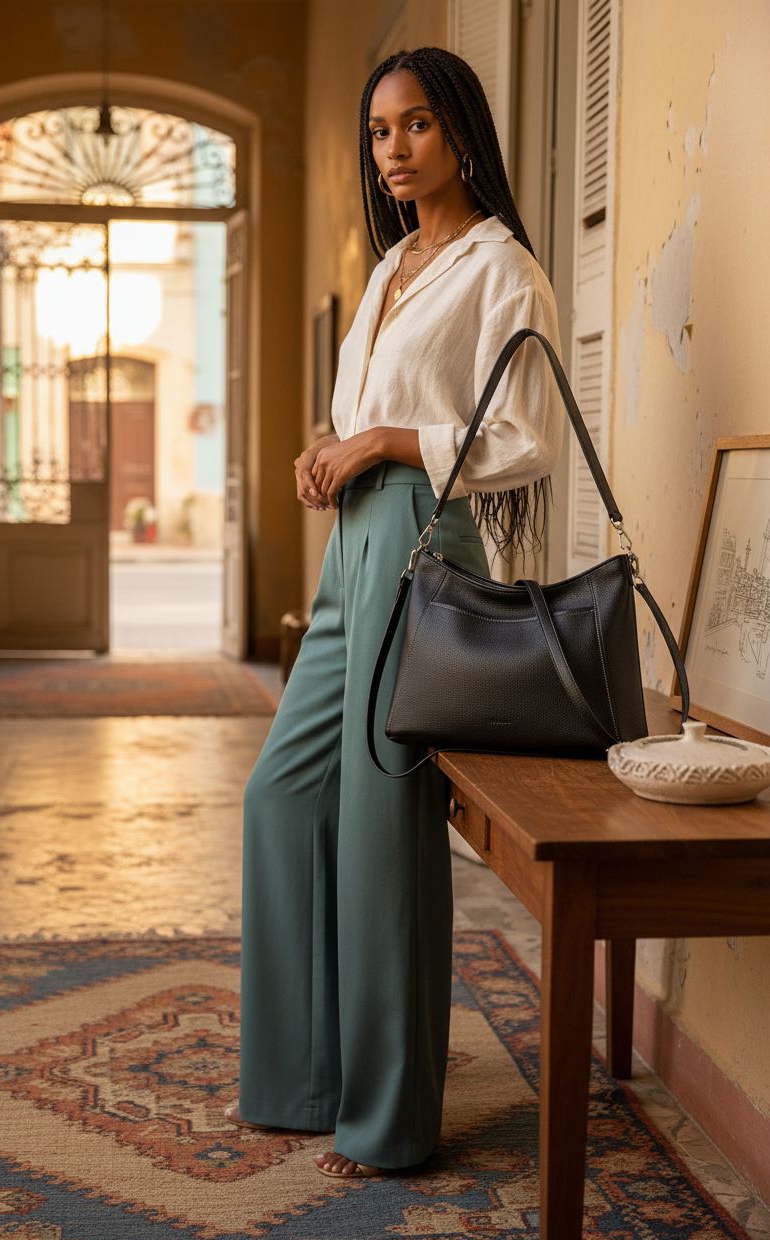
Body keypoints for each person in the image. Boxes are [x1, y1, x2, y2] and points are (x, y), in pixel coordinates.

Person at [225, 46, 565, 1179]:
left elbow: (524, 441)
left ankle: (386, 1118)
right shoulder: (387, 271)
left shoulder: (499, 269)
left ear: (461, 132)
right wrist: (325, 456)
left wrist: (382, 445)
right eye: (380, 133)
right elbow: (359, 412)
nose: (395, 150)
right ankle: (300, 1077)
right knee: (283, 797)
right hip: (352, 544)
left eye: (416, 126)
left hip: (425, 543)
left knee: (380, 836)